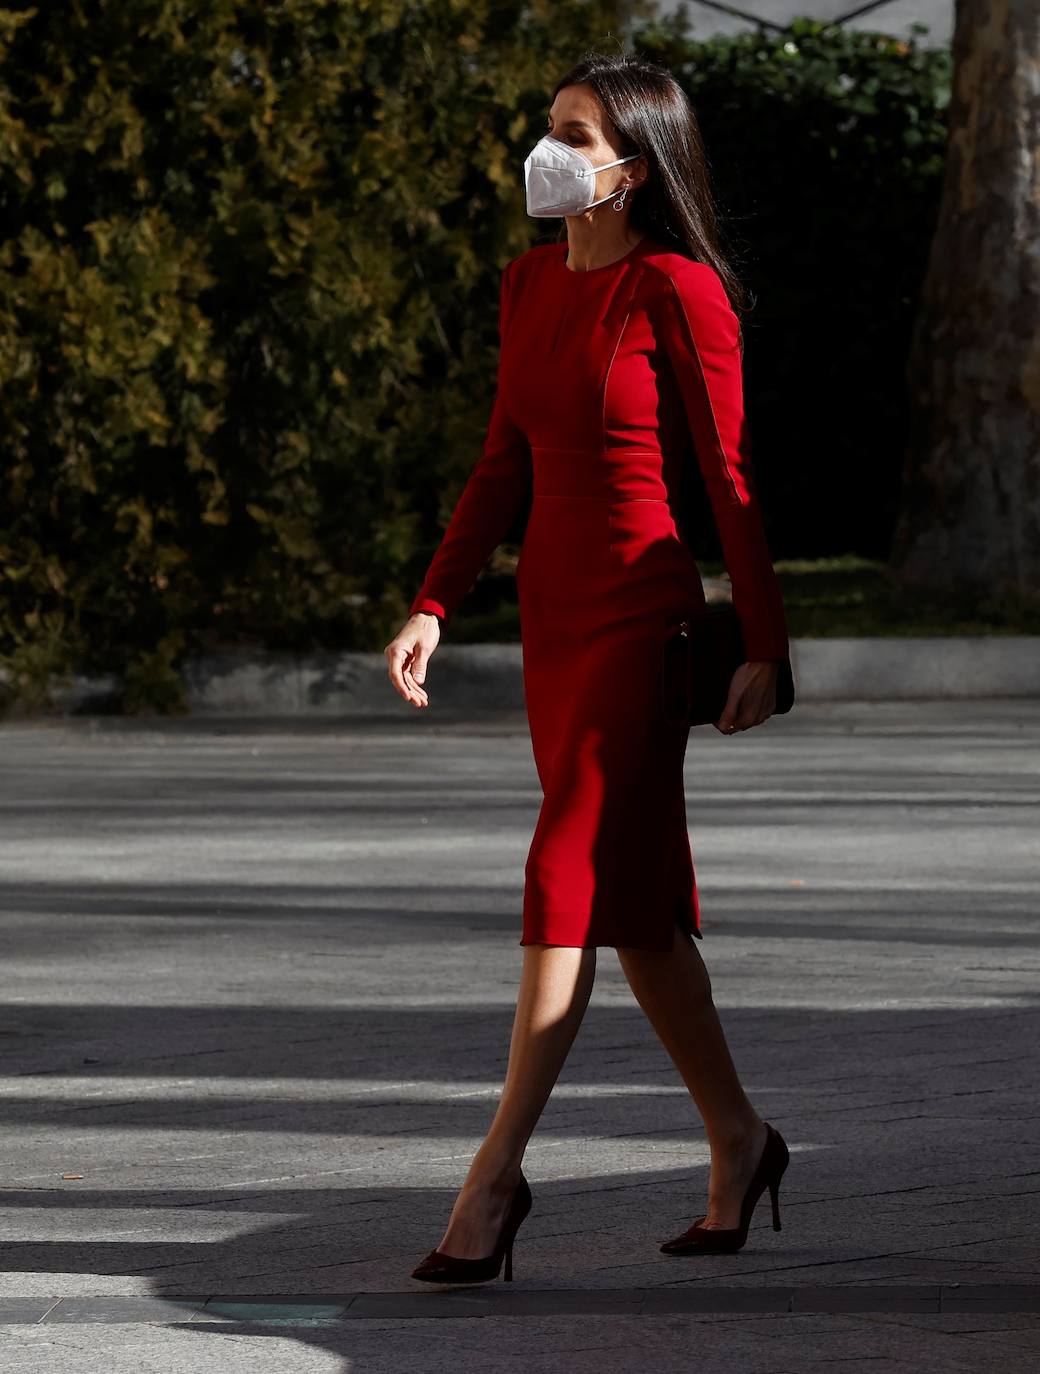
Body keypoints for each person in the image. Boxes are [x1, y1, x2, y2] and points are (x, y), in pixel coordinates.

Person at [385, 52, 791, 1284]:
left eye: (572, 134)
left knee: (563, 860)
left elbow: (725, 480)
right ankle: (738, 1138)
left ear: (628, 168)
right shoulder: (524, 284)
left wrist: (767, 646)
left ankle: (493, 1177)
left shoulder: (676, 289)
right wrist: (435, 602)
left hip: (636, 612)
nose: (546, 150)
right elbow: (501, 464)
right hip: (553, 620)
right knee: (636, 912)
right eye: (548, 126)